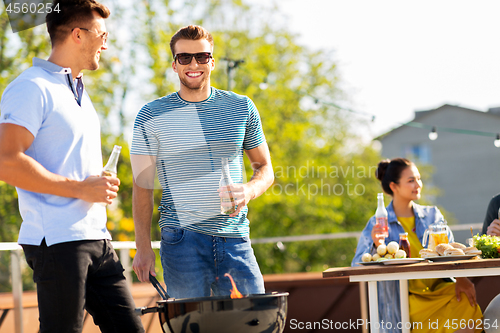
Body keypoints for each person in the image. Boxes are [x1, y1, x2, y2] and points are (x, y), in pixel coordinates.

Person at [0, 1, 145, 332]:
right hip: (57, 241)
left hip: (96, 236)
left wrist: (94, 185)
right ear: (78, 35)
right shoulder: (32, 87)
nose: (106, 43)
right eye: (102, 34)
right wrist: (79, 188)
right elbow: (5, 161)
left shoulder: (78, 90)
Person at [130, 25, 274, 298]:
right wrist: (143, 246)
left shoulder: (242, 107)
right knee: (191, 326)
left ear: (212, 61)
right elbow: (142, 186)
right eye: (184, 57)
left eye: (201, 57)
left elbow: (265, 168)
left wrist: (249, 190)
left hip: (235, 237)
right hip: (181, 241)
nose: (193, 64)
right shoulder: (149, 115)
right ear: (174, 65)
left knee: (254, 321)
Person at [352, 158, 482, 333]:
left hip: (440, 290)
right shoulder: (378, 223)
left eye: (419, 179)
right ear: (393, 186)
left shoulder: (432, 215)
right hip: (406, 299)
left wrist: (462, 279)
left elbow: (452, 252)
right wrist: (377, 245)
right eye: (411, 180)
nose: (418, 184)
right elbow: (356, 264)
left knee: (466, 304)